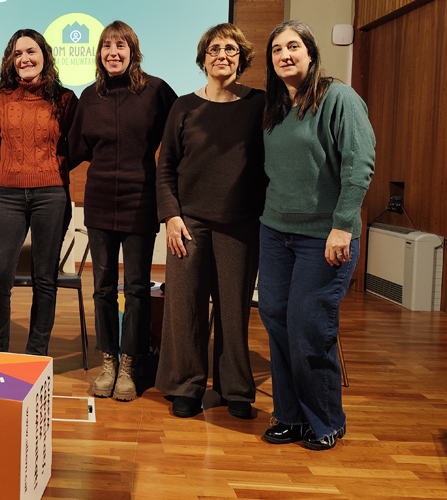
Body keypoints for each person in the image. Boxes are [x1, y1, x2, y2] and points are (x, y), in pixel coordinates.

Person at [258, 20, 375, 450]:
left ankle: (325, 420)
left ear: (310, 52)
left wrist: (342, 225)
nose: (285, 55)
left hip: (324, 237)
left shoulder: (338, 98)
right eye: (277, 50)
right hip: (275, 232)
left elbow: (359, 164)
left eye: (293, 46)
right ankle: (289, 417)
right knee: (276, 320)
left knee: (308, 327)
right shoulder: (274, 106)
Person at [155, 23, 267, 420]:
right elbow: (165, 165)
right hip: (189, 224)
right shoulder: (184, 106)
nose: (223, 54)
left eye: (232, 49)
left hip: (240, 224)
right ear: (203, 57)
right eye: (215, 48)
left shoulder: (259, 104)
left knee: (233, 310)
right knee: (184, 309)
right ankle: (185, 386)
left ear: (242, 58)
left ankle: (235, 388)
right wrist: (170, 215)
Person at [69, 20, 176, 402]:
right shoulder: (89, 95)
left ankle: (130, 363)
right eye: (106, 46)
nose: (112, 52)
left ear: (133, 50)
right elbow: (72, 151)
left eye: (120, 45)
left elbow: (180, 140)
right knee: (101, 288)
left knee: (135, 288)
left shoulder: (157, 91)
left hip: (140, 200)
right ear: (99, 53)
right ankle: (108, 361)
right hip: (98, 202)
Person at [0, 29, 78, 356]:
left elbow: (75, 146)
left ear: (45, 56)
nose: (25, 59)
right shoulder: (1, 98)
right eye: (18, 53)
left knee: (44, 280)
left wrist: (55, 165)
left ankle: (35, 355)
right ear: (11, 60)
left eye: (31, 52)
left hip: (51, 195)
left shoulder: (65, 99)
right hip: (8, 194)